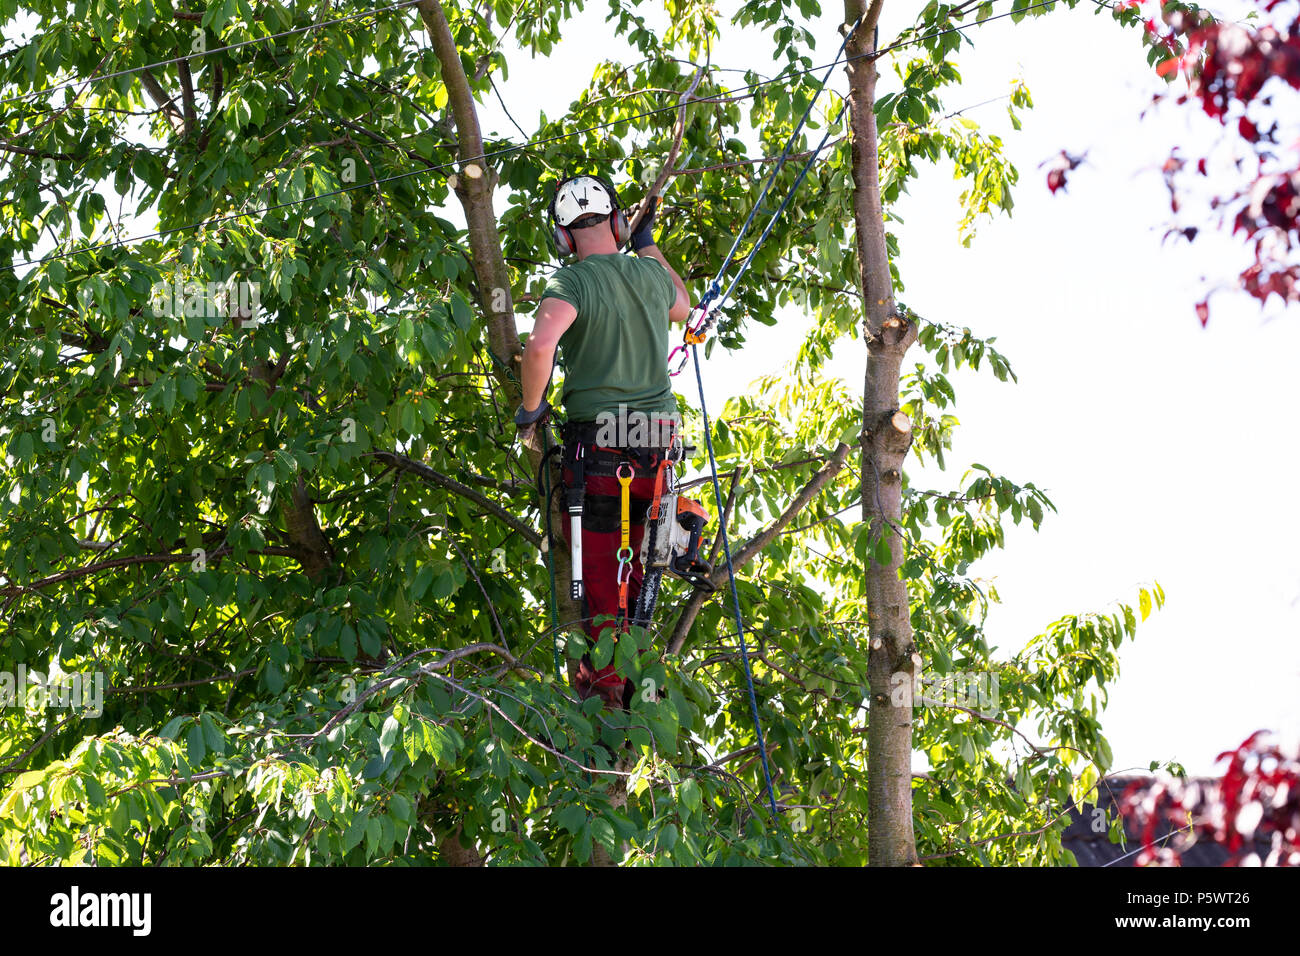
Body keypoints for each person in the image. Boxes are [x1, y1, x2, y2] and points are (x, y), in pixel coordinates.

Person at [515, 174, 691, 708]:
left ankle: (610, 692)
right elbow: (682, 304)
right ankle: (641, 679)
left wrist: (529, 410)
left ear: (564, 239)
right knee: (641, 568)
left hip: (600, 451)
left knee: (599, 578)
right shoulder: (650, 275)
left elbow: (541, 345)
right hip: (657, 449)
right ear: (617, 223)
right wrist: (647, 244)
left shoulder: (571, 283)